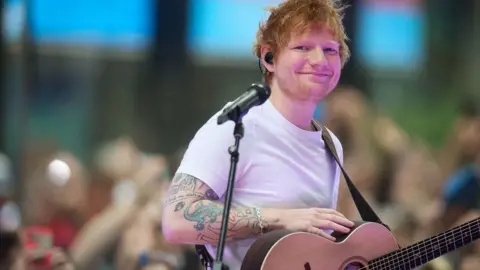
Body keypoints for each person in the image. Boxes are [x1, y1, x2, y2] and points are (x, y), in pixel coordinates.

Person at [162, 0, 355, 269]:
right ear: (269, 57)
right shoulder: (236, 127)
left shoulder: (330, 144)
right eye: (303, 47)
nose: (319, 60)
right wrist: (279, 218)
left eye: (330, 50)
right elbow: (176, 221)